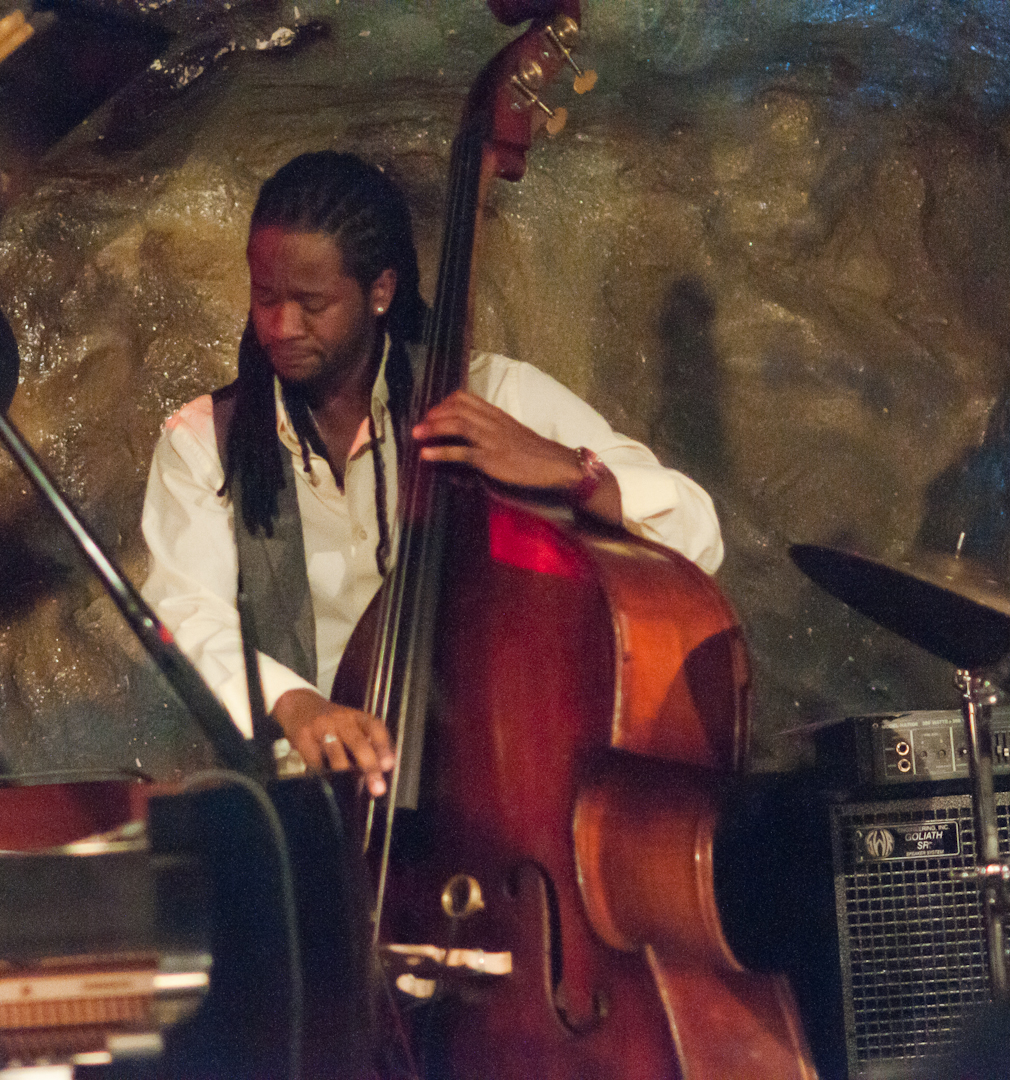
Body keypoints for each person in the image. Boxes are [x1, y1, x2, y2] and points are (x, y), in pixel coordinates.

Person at [141, 151, 724, 797]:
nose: (282, 326)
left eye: (312, 303)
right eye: (266, 296)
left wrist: (571, 473)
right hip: (307, 803)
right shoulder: (205, 442)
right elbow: (187, 614)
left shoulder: (490, 395)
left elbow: (697, 534)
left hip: (489, 788)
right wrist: (297, 704)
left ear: (381, 291)